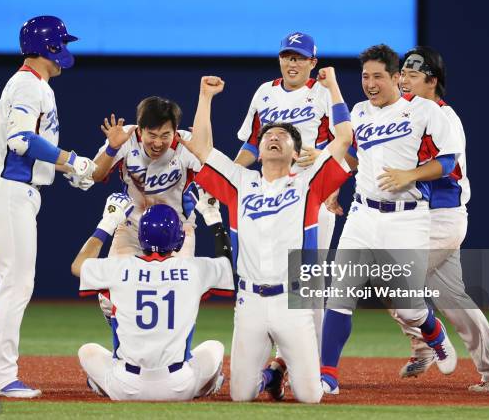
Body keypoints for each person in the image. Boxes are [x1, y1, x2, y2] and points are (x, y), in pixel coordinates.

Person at [180, 69, 353, 403]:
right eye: (268, 134)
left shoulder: (308, 185)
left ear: (296, 153)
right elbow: (200, 149)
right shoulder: (238, 182)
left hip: (293, 302)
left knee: (310, 397)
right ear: (258, 151)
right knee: (241, 396)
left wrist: (332, 87)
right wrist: (204, 98)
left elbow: (344, 138)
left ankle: (279, 370)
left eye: (283, 136)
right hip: (250, 303)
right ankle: (268, 375)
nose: (274, 136)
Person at [320, 44, 462, 395]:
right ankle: (327, 376)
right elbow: (354, 156)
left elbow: (447, 162)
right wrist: (333, 185)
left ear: (397, 78)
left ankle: (433, 332)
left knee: (408, 306)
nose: (370, 83)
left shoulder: (424, 111)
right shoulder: (360, 112)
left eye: (378, 76)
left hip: (406, 219)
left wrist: (409, 175)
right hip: (362, 214)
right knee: (339, 294)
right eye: (365, 76)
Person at [0, 15, 95, 398]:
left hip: (12, 190)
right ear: (50, 48)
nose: (66, 51)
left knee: (14, 285)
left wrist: (67, 169)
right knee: (17, 286)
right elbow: (21, 140)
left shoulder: (34, 84)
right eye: (63, 43)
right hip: (9, 191)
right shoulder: (28, 84)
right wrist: (72, 160)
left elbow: (31, 149)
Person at [389, 46, 489, 391]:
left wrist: (410, 175)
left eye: (412, 74)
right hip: (425, 219)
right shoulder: (408, 115)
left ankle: (427, 344)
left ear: (432, 80)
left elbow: (447, 166)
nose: (403, 79)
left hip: (442, 218)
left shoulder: (443, 116)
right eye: (402, 73)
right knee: (454, 300)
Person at [235, 31, 338, 399]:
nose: (292, 62)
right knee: (268, 279)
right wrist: (231, 176)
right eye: (286, 56)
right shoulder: (265, 92)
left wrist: (332, 183)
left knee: (309, 290)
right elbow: (250, 144)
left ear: (312, 62)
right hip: (268, 199)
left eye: (299, 57)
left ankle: (311, 369)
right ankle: (273, 365)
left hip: (310, 197)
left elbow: (339, 142)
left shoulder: (323, 94)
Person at [71, 194, 234, 401]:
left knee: (88, 351)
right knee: (214, 347)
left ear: (140, 237)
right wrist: (213, 219)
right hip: (179, 386)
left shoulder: (119, 268)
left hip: (126, 386)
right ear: (179, 238)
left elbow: (78, 266)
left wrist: (108, 222)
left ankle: (104, 385)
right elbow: (228, 265)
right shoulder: (193, 269)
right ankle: (205, 387)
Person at [88, 96, 225, 317]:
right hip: (132, 227)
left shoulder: (185, 143)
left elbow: (217, 178)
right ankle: (125, 348)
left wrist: (202, 152)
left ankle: (173, 349)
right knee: (109, 296)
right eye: (151, 135)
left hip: (177, 231)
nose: (158, 142)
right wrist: (112, 149)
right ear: (140, 130)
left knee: (180, 295)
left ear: (176, 130)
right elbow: (95, 174)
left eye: (165, 135)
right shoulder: (125, 137)